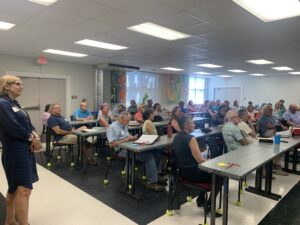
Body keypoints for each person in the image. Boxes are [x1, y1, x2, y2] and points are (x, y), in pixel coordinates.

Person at [0, 74, 41, 225]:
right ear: (6, 86)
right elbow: (13, 127)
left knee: (14, 188)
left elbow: (27, 124)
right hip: (15, 151)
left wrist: (34, 133)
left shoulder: (15, 103)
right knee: (24, 189)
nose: (21, 86)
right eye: (18, 83)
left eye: (22, 84)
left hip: (24, 148)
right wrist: (33, 139)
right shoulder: (2, 103)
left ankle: (10, 221)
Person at [172, 116, 222, 215]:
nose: (194, 124)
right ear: (186, 125)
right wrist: (211, 161)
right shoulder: (190, 138)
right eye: (192, 123)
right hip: (193, 172)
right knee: (219, 177)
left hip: (182, 172)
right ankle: (209, 206)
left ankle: (201, 199)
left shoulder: (176, 137)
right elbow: (200, 160)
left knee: (208, 172)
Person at [106, 111, 165, 191]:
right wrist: (126, 140)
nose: (128, 122)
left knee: (156, 151)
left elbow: (127, 135)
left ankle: (156, 175)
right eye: (127, 120)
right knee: (148, 156)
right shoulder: (112, 127)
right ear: (122, 118)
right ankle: (152, 182)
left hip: (131, 146)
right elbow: (111, 144)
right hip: (121, 150)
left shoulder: (124, 124)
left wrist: (133, 138)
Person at [259, 105, 288, 176]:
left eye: (271, 110)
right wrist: (279, 127)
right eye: (269, 110)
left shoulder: (274, 116)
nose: (271, 111)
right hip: (266, 133)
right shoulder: (263, 118)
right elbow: (269, 126)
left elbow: (280, 124)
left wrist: (284, 127)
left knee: (278, 146)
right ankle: (276, 166)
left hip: (276, 132)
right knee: (277, 145)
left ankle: (276, 165)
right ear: (264, 111)